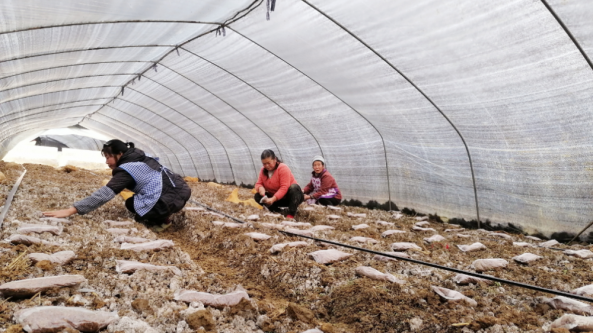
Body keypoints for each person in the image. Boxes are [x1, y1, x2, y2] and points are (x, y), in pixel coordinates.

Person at [43, 140, 191, 232]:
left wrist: (72, 210)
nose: (107, 162)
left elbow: (105, 194)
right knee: (141, 198)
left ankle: (161, 220)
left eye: (108, 157)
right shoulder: (143, 158)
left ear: (119, 154)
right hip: (182, 191)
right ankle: (164, 212)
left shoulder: (128, 169)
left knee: (132, 203)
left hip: (167, 200)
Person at [254, 149, 303, 219]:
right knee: (257, 196)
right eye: (264, 164)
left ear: (275, 159)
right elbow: (258, 183)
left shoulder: (282, 168)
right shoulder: (263, 170)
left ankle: (291, 213)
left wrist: (273, 199)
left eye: (269, 163)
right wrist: (260, 188)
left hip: (291, 198)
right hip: (278, 199)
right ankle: (277, 211)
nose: (267, 166)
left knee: (294, 187)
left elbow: (284, 187)